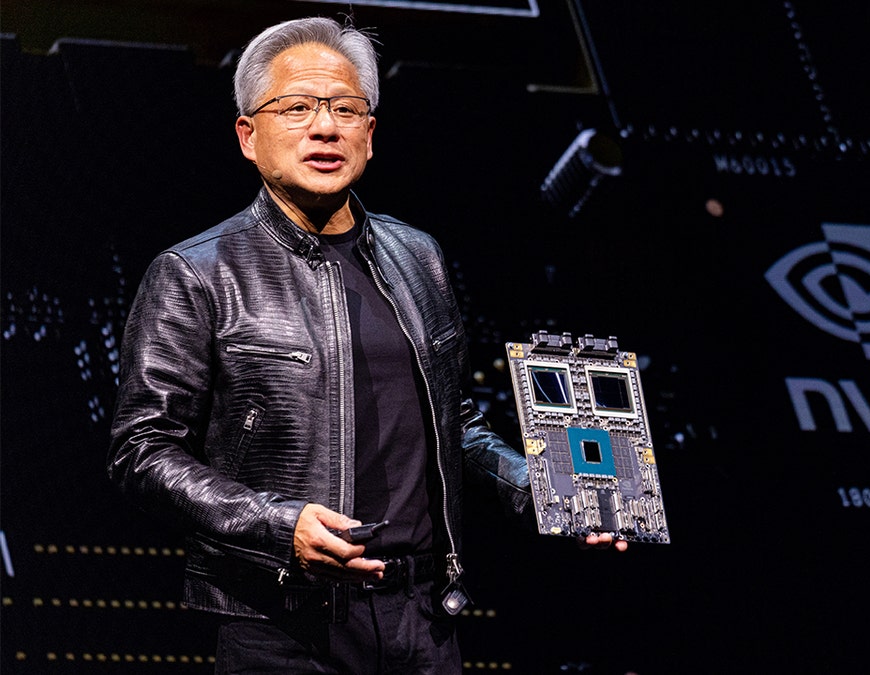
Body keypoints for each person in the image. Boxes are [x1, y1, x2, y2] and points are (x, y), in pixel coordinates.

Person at [107, 16, 623, 674]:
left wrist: (539, 486)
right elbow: (141, 450)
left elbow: (452, 419)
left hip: (424, 618)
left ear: (370, 135)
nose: (325, 127)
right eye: (297, 108)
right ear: (247, 135)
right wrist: (279, 524)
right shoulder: (196, 273)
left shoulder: (420, 257)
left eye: (346, 109)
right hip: (282, 622)